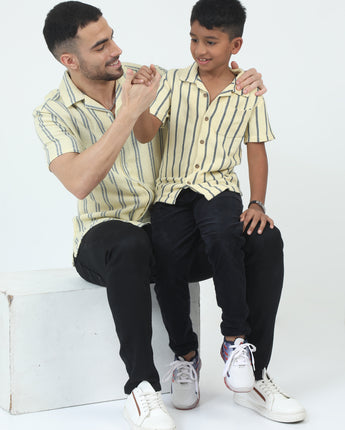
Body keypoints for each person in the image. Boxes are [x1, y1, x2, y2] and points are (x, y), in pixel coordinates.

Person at [32, 1, 303, 429]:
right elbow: (80, 181)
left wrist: (243, 76)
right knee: (128, 241)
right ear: (71, 60)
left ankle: (253, 373)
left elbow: (207, 77)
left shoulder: (147, 77)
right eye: (101, 45)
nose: (116, 49)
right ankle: (141, 388)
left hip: (173, 227)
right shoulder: (51, 112)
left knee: (264, 238)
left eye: (112, 36)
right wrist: (128, 113)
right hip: (107, 240)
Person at [133, 0, 306, 424]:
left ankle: (235, 339)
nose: (199, 49)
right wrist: (142, 99)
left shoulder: (248, 92)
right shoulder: (172, 82)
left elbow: (256, 152)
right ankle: (186, 356)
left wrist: (257, 202)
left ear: (235, 44)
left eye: (210, 41)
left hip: (219, 187)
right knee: (167, 260)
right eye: (194, 39)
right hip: (172, 190)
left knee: (224, 238)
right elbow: (143, 134)